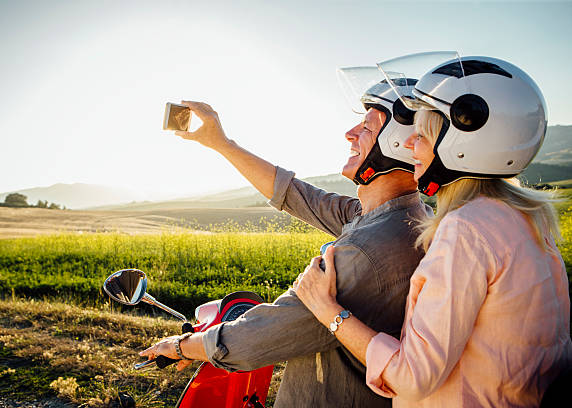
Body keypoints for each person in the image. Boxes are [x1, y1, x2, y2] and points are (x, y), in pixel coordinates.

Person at [294, 54, 572, 407]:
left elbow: (411, 377)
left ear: (463, 146)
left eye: (423, 134)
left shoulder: (467, 230)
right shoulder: (526, 218)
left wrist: (326, 309)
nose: (411, 146)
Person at [140, 76, 432, 407]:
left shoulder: (368, 249)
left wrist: (181, 346)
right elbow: (296, 195)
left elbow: (257, 339)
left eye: (366, 126)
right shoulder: (396, 218)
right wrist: (221, 143)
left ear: (398, 142)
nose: (350, 134)